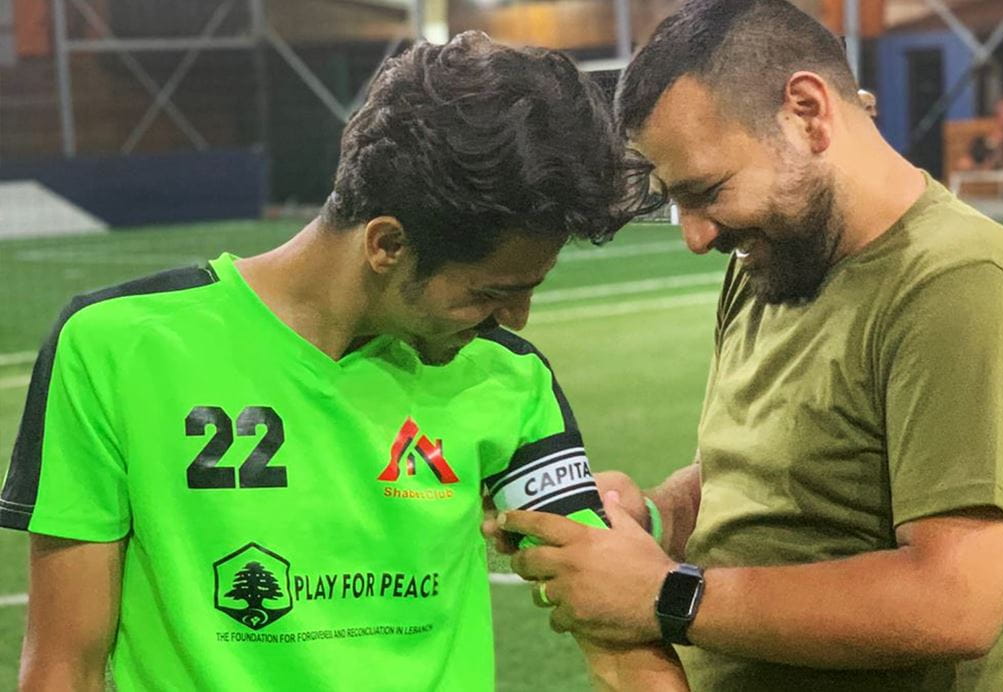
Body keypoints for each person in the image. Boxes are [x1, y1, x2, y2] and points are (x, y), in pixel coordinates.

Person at [0, 32, 656, 690]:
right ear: (387, 245)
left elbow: (611, 620)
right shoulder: (117, 345)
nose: (516, 319)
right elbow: (65, 664)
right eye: (492, 292)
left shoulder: (509, 375)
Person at [490, 1, 1003, 690]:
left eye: (707, 192)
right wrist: (652, 515)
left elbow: (952, 601)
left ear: (805, 111)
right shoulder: (773, 259)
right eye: (678, 205)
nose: (696, 237)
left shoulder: (960, 285)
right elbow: (761, 477)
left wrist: (665, 594)